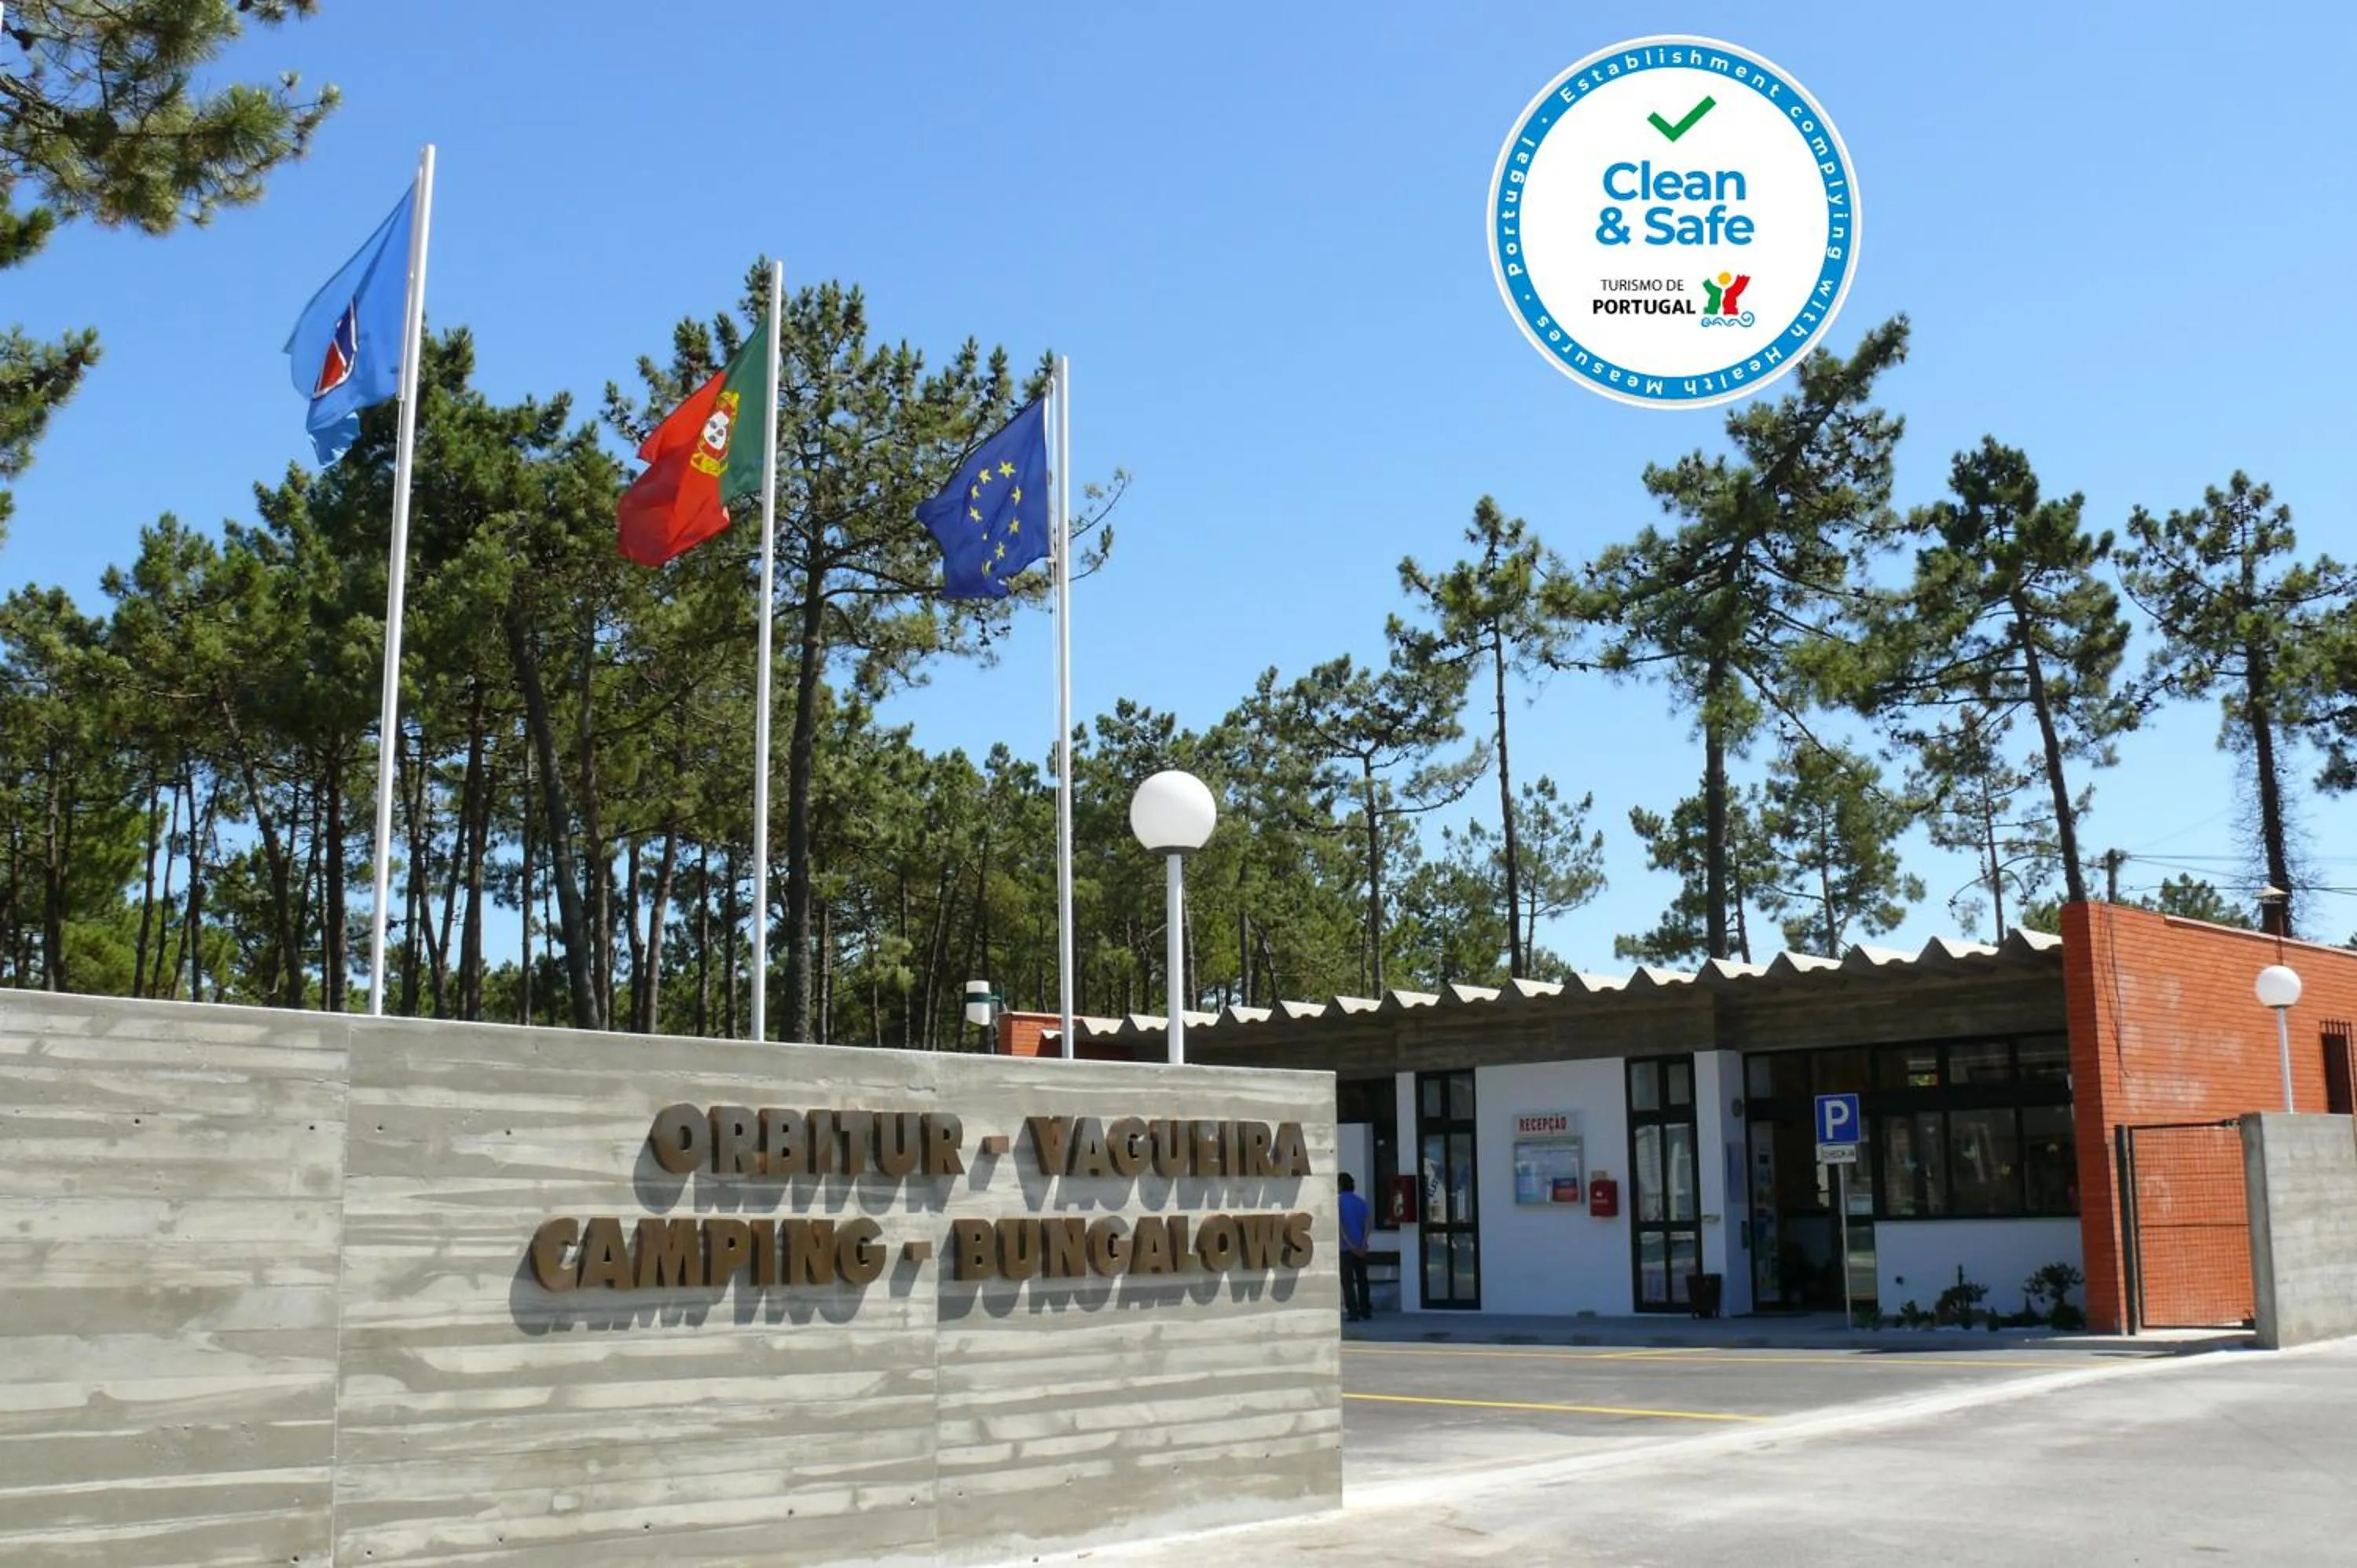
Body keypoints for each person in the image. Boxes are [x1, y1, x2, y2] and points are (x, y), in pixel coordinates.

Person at [1338, 1172, 1373, 1322]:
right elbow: (1367, 1225)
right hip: (1361, 1248)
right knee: (1363, 1280)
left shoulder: (1337, 1203)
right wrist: (1363, 1243)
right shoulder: (1361, 1202)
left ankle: (1353, 1312)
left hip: (1346, 1249)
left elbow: (1340, 1228)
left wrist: (1350, 1246)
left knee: (1348, 1282)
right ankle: (1365, 1310)